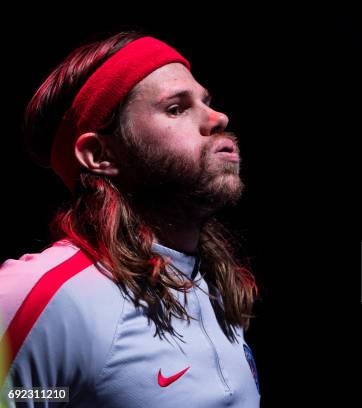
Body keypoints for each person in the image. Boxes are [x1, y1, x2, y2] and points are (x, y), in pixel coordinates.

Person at [0, 32, 260, 407]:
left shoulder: (212, 287)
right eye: (175, 108)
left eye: (206, 102)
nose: (219, 118)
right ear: (100, 154)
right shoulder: (47, 297)